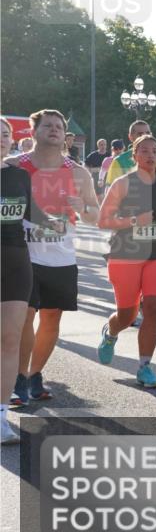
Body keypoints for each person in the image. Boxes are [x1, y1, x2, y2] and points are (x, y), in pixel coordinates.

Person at [7, 109, 99, 406]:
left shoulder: (78, 172)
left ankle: (35, 373)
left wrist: (82, 208)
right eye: (48, 125)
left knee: (51, 317)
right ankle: (18, 377)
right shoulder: (14, 166)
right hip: (23, 255)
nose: (55, 129)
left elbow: (95, 215)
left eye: (59, 126)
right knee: (25, 317)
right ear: (33, 132)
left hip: (61, 257)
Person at [96, 134, 156, 387]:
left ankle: (145, 366)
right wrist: (134, 221)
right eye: (144, 151)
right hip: (125, 255)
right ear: (134, 156)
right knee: (127, 314)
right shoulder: (123, 184)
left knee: (153, 307)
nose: (150, 155)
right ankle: (111, 332)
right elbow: (103, 221)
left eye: (154, 151)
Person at [1, 118, 57, 442]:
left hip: (15, 261)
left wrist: (56, 222)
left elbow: (31, 212)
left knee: (9, 339)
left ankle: (1, 417)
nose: (1, 139)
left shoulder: (19, 175)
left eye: (5, 134)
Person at [105, 120, 156, 187]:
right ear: (130, 137)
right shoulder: (119, 161)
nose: (145, 136)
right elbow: (111, 189)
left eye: (148, 133)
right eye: (140, 134)